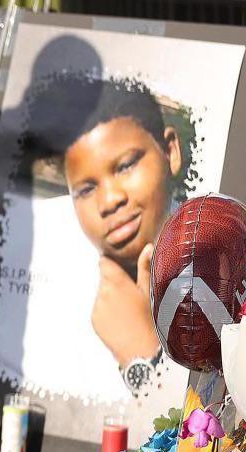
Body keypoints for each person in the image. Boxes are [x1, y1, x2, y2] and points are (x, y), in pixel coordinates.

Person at [22, 75, 188, 395]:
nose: (110, 200)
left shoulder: (218, 256)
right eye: (86, 189)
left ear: (170, 152)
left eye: (125, 166)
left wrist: (143, 352)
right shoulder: (58, 280)